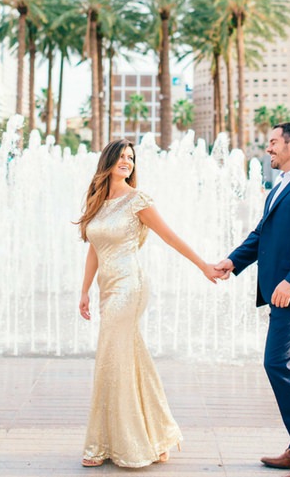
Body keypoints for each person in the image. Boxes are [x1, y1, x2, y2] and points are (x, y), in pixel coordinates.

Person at [76, 139, 223, 468]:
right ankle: (157, 436)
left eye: (131, 158)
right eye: (122, 157)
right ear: (109, 161)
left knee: (111, 358)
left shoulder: (137, 200)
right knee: (128, 357)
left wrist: (203, 265)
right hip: (106, 288)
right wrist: (84, 290)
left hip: (131, 286)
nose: (127, 162)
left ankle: (120, 443)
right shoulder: (98, 201)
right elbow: (93, 249)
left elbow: (170, 236)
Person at [214, 122, 290, 477]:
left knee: (278, 364)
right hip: (283, 294)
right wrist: (233, 261)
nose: (267, 149)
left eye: (273, 143)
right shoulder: (279, 187)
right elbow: (262, 234)